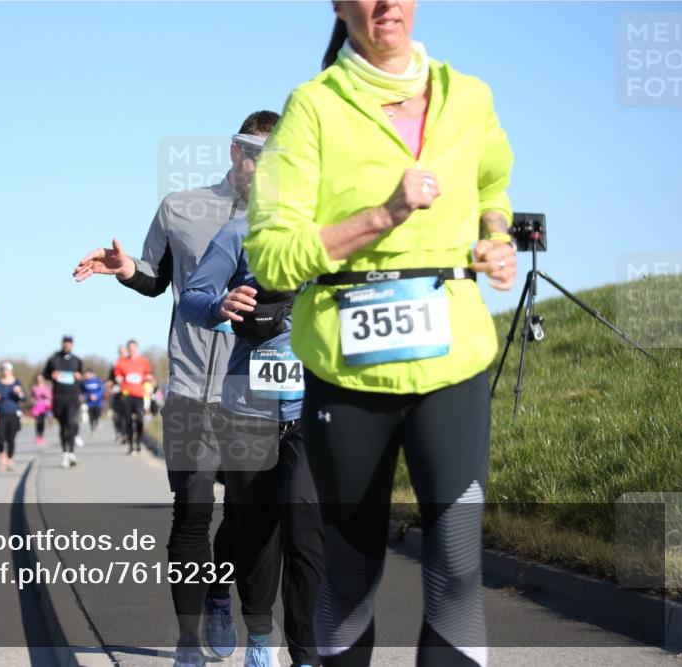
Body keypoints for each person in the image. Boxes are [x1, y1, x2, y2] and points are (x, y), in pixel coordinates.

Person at [244, 3, 517, 664]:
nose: (386, 4)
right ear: (339, 7)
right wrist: (382, 215)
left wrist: (495, 237)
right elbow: (272, 255)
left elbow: (493, 182)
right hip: (347, 375)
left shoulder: (469, 97)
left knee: (457, 566)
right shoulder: (312, 108)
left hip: (453, 364)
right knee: (351, 576)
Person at [74, 110, 280, 666]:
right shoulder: (181, 207)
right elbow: (157, 277)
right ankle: (188, 641)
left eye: (267, 155)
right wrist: (125, 269)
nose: (253, 163)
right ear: (233, 151)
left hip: (255, 393)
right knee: (191, 510)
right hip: (190, 385)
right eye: (247, 150)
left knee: (245, 518)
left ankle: (221, 595)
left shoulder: (291, 220)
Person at [181, 215, 324, 667]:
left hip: (312, 410)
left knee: (305, 536)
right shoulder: (240, 231)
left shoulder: (337, 224)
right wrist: (219, 305)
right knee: (255, 533)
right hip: (247, 409)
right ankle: (260, 636)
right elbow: (192, 298)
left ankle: (305, 655)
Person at [44, 335, 84, 468]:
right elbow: (45, 374)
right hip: (59, 396)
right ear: (62, 344)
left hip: (73, 396)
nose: (67, 346)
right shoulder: (54, 359)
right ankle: (65, 452)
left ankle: (71, 451)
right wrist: (51, 375)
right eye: (65, 343)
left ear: (72, 345)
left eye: (70, 343)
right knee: (63, 426)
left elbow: (80, 375)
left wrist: (79, 377)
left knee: (72, 423)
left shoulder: (77, 360)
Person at [112, 339, 155, 455]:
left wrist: (149, 377)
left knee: (140, 420)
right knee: (129, 420)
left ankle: (139, 441)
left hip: (139, 394)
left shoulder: (144, 361)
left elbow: (147, 373)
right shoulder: (121, 362)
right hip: (126, 394)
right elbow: (117, 374)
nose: (132, 350)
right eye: (130, 348)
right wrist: (118, 378)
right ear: (127, 349)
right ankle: (131, 445)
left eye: (133, 348)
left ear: (136, 349)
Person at [0, 361, 25, 471]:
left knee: (11, 438)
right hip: (1, 413)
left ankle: (10, 459)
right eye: (4, 369)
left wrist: (19, 393)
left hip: (14, 413)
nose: (6, 371)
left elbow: (23, 398)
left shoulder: (17, 383)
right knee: (0, 436)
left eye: (8, 369)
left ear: (11, 370)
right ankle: (2, 454)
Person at [107, 345, 131, 444]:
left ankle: (126, 433)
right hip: (117, 391)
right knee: (117, 414)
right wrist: (110, 385)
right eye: (120, 351)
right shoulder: (115, 363)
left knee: (127, 414)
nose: (122, 353)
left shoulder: (131, 362)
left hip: (129, 391)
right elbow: (110, 378)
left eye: (124, 351)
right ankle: (120, 433)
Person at [30, 373, 53, 446]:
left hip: (44, 407)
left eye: (41, 378)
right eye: (38, 378)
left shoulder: (47, 388)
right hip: (37, 407)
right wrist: (33, 401)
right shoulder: (34, 387)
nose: (39, 380)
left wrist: (46, 395)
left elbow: (51, 397)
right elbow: (32, 397)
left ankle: (41, 436)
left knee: (42, 422)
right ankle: (38, 436)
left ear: (43, 379)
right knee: (37, 422)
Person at [81, 370, 105, 434]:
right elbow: (83, 392)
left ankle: (97, 422)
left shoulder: (98, 381)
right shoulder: (84, 383)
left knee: (97, 414)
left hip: (98, 402)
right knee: (91, 416)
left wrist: (96, 396)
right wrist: (88, 396)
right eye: (85, 375)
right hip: (90, 402)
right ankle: (92, 427)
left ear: (91, 374)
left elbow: (102, 390)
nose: (87, 376)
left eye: (88, 374)